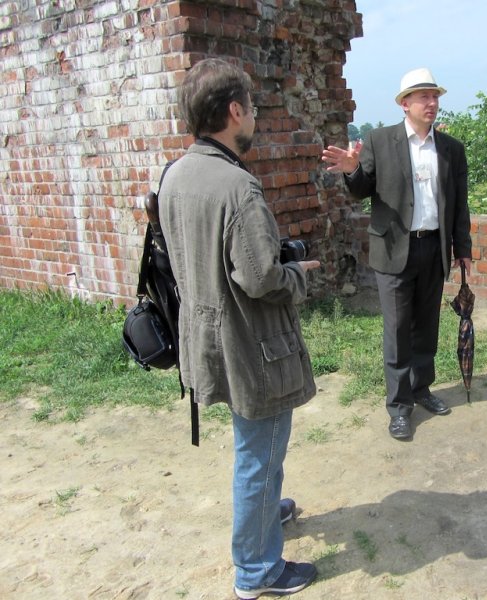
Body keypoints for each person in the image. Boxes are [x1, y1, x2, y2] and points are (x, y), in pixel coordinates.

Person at [158, 58, 321, 598]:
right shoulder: (237, 188)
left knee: (255, 446)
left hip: (203, 339)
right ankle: (258, 571)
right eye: (250, 108)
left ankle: (264, 516)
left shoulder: (174, 176)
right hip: (253, 347)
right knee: (260, 451)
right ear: (233, 111)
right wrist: (297, 274)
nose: (253, 117)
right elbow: (259, 279)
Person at [322, 68, 472, 440]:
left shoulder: (451, 148)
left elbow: (460, 204)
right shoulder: (380, 140)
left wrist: (463, 247)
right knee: (397, 330)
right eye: (424, 97)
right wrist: (352, 170)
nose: (432, 103)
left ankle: (422, 389)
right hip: (393, 250)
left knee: (427, 327)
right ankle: (399, 406)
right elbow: (361, 190)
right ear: (405, 104)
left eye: (435, 97)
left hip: (433, 246)